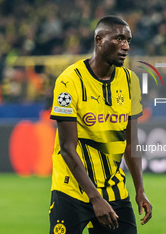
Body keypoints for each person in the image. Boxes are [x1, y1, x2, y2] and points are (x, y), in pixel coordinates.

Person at [48, 16, 152, 234]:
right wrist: (95, 198)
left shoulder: (130, 81)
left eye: (128, 40)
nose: (126, 46)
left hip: (114, 190)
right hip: (73, 190)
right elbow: (68, 147)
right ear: (99, 40)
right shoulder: (69, 81)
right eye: (119, 39)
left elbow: (131, 143)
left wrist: (140, 190)